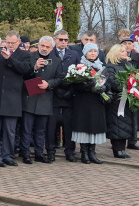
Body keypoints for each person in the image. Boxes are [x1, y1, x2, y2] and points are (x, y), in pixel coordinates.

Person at [0, 31, 30, 167]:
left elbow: (25, 69)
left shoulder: (24, 55)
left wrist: (9, 59)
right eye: (8, 42)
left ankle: (8, 156)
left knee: (10, 131)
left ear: (19, 42)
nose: (10, 45)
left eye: (12, 43)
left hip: (12, 100)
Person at [21, 36, 65, 163]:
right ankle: (25, 154)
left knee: (41, 130)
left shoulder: (56, 61)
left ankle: (39, 154)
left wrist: (49, 84)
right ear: (38, 45)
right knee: (27, 129)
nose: (44, 49)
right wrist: (34, 68)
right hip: (29, 98)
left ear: (52, 48)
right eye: (43, 46)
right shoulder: (30, 57)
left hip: (45, 99)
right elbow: (23, 74)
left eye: (47, 47)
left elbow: (60, 78)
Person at [70, 43, 108, 164]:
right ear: (85, 53)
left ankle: (92, 153)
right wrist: (87, 86)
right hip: (83, 102)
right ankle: (84, 153)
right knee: (84, 126)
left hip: (96, 101)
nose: (93, 53)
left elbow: (107, 82)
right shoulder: (79, 66)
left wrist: (104, 88)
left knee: (94, 126)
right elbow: (74, 86)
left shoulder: (102, 67)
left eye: (95, 51)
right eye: (90, 51)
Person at [47, 29, 81, 162]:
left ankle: (70, 151)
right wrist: (54, 88)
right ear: (55, 40)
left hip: (68, 95)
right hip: (52, 95)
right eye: (61, 39)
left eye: (66, 40)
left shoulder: (74, 55)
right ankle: (50, 151)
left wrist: (71, 91)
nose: (63, 42)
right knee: (51, 126)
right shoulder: (49, 53)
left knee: (68, 126)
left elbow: (79, 74)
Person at [103, 44, 138, 158]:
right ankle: (117, 149)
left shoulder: (129, 65)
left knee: (126, 125)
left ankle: (123, 148)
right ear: (115, 53)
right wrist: (126, 86)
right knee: (117, 125)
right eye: (122, 51)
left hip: (127, 99)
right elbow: (111, 82)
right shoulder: (110, 67)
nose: (125, 52)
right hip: (116, 101)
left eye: (125, 51)